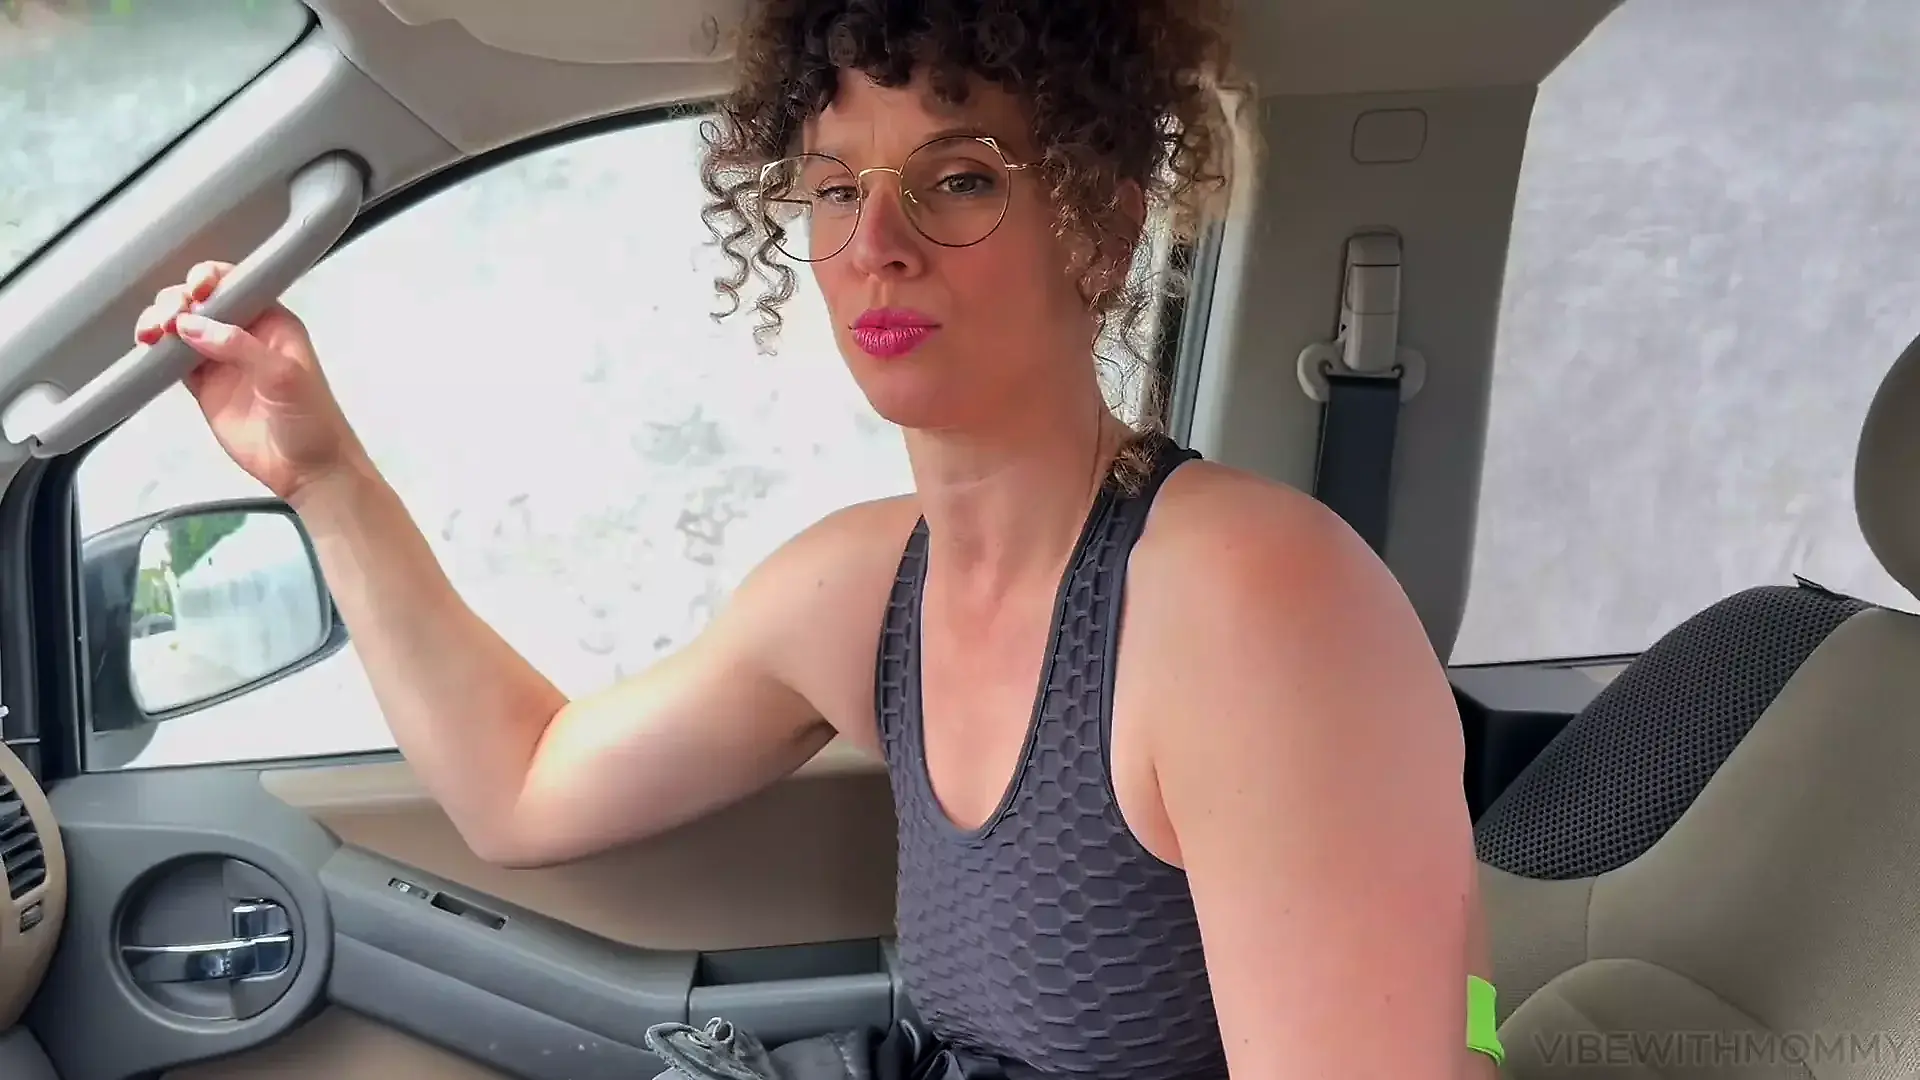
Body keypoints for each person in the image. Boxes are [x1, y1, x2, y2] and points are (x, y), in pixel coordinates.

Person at [136, 1, 1497, 1076]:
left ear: (1102, 224)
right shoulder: (863, 588)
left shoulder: (1254, 603)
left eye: (957, 178)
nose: (878, 242)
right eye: (837, 188)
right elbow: (527, 788)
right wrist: (321, 471)